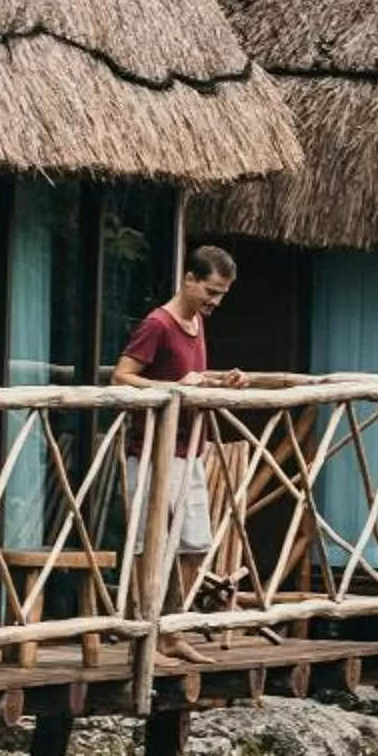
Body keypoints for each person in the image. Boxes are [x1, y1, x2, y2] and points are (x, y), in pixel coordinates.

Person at [114, 245, 248, 606]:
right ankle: (149, 632)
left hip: (189, 452)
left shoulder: (197, 323)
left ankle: (172, 631)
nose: (216, 302)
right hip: (152, 453)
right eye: (211, 291)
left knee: (195, 545)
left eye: (222, 295)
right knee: (150, 545)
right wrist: (174, 389)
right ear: (189, 279)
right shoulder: (157, 325)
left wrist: (221, 382)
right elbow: (121, 378)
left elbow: (191, 378)